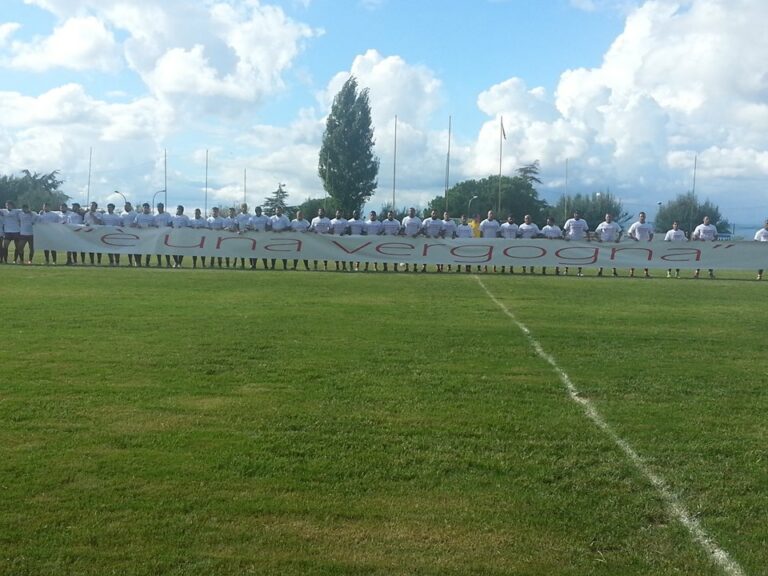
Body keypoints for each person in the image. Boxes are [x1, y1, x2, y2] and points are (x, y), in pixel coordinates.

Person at [627, 211, 654, 277]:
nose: (642, 217)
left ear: (645, 217)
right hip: (637, 244)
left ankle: (646, 273)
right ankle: (631, 272)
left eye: (643, 216)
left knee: (646, 259)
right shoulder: (635, 224)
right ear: (639, 217)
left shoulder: (648, 225)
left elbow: (651, 233)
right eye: (641, 216)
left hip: (645, 244)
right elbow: (629, 233)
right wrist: (633, 238)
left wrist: (650, 239)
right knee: (634, 258)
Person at [563, 210, 589, 276]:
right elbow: (564, 230)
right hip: (570, 242)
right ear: (574, 214)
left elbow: (587, 230)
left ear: (580, 215)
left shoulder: (583, 221)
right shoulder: (569, 221)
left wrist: (588, 238)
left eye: (578, 214)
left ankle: (579, 272)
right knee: (568, 257)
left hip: (580, 242)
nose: (577, 215)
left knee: (580, 257)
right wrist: (565, 237)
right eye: (576, 214)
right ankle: (566, 270)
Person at [133, 203, 156, 267]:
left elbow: (155, 226)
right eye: (144, 207)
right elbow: (134, 224)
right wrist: (138, 226)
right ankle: (138, 262)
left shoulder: (152, 217)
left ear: (149, 208)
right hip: (139, 235)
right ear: (142, 208)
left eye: (147, 207)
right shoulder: (138, 216)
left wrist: (150, 226)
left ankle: (147, 263)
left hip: (149, 236)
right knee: (138, 249)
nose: (145, 209)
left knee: (148, 250)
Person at [400, 207, 422, 272]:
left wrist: (417, 234)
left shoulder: (418, 220)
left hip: (415, 239)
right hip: (407, 239)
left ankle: (415, 267)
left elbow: (421, 229)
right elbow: (402, 228)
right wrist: (402, 233)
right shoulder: (405, 219)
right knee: (407, 254)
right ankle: (407, 267)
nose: (411, 212)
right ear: (408, 212)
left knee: (415, 253)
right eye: (410, 211)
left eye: (412, 211)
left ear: (414, 212)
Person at [154, 203, 173, 268]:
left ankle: (168, 263)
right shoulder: (155, 215)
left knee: (166, 249)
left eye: (160, 207)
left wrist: (165, 229)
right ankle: (159, 263)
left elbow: (170, 223)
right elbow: (153, 225)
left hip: (166, 235)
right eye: (158, 207)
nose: (159, 208)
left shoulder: (167, 215)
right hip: (158, 235)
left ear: (163, 207)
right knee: (158, 249)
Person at [120, 202, 138, 266]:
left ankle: (136, 262)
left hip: (133, 233)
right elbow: (121, 223)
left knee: (134, 248)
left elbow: (136, 222)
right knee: (129, 249)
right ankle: (130, 262)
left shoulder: (135, 213)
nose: (125, 207)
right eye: (125, 206)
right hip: (125, 233)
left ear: (130, 206)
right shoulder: (122, 214)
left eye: (127, 206)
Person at [235, 204, 251, 269]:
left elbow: (251, 224)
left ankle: (251, 264)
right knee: (241, 250)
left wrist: (246, 229)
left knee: (250, 249)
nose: (244, 208)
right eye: (243, 207)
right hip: (240, 234)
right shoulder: (238, 216)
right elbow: (236, 224)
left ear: (247, 208)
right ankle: (243, 264)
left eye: (245, 207)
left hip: (249, 234)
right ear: (241, 208)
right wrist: (238, 231)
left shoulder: (249, 215)